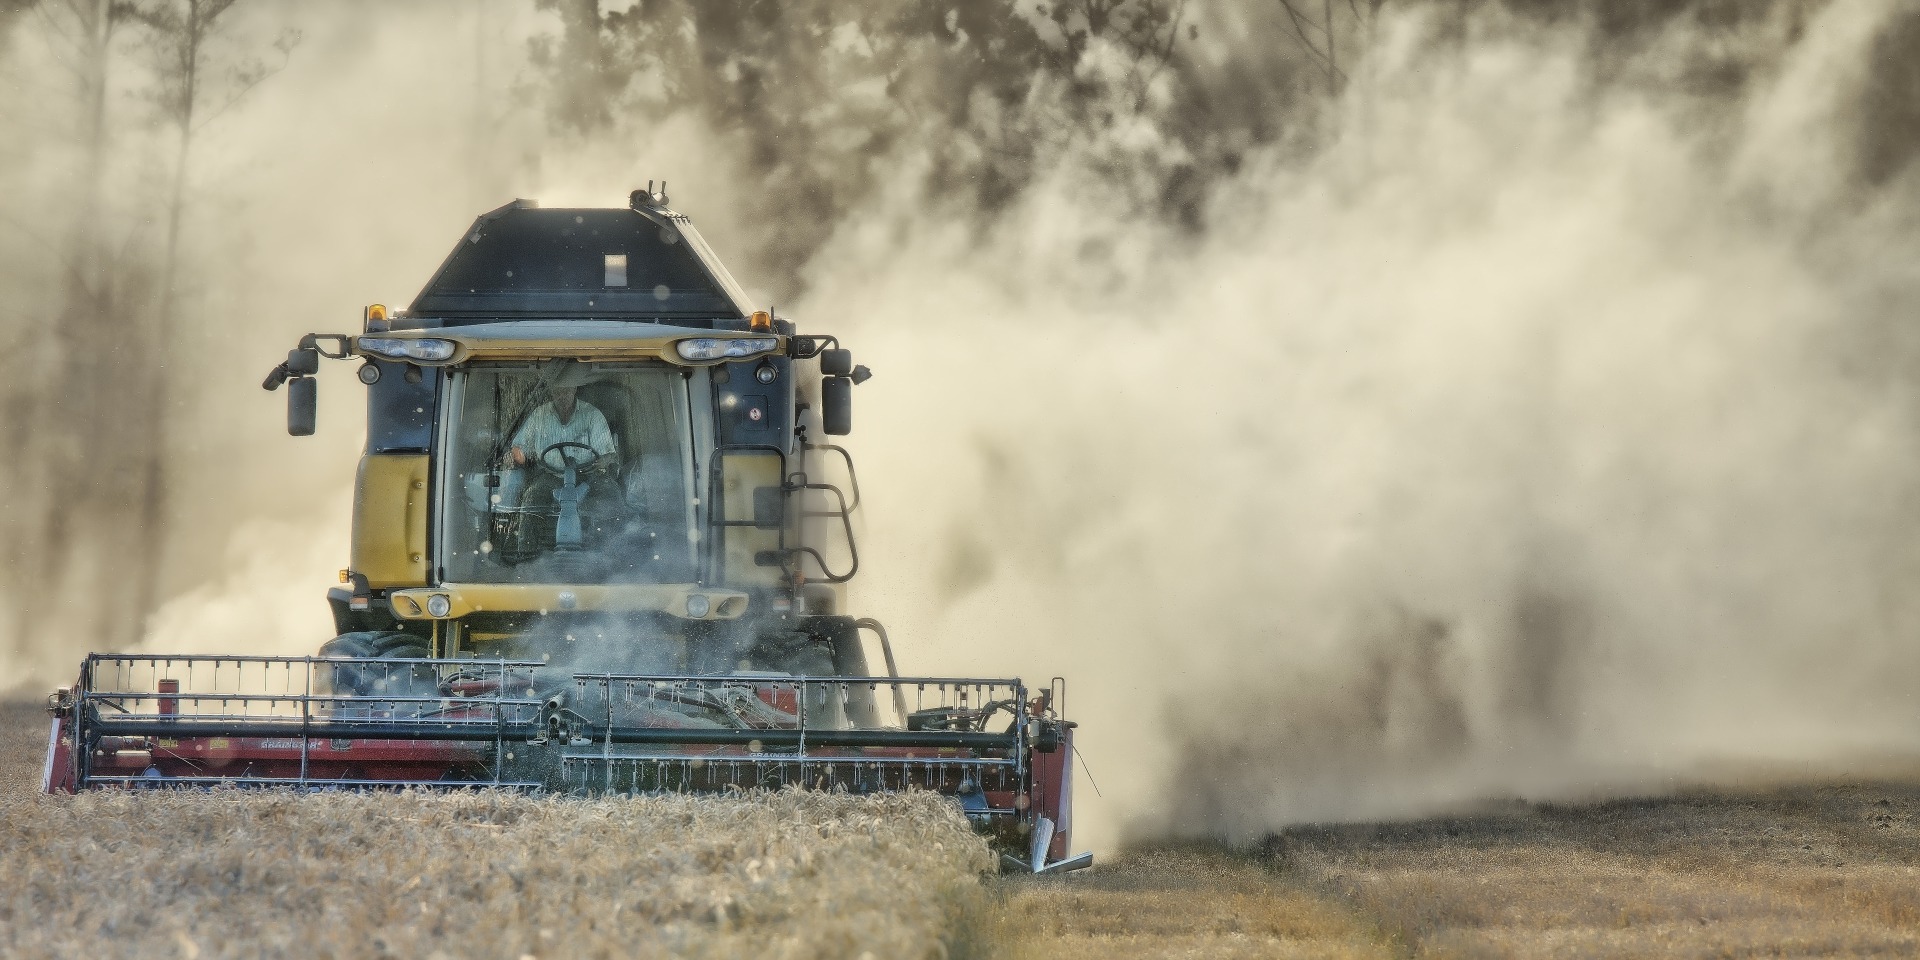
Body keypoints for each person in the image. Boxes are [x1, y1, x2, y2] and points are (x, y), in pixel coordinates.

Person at [508, 384, 619, 474]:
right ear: (551, 391)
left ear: (574, 389)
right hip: (548, 477)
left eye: (566, 391)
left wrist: (603, 461)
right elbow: (519, 448)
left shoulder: (592, 415)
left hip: (586, 477)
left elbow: (607, 454)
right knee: (531, 500)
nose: (562, 396)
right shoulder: (539, 415)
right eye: (558, 392)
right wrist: (515, 458)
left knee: (609, 498)